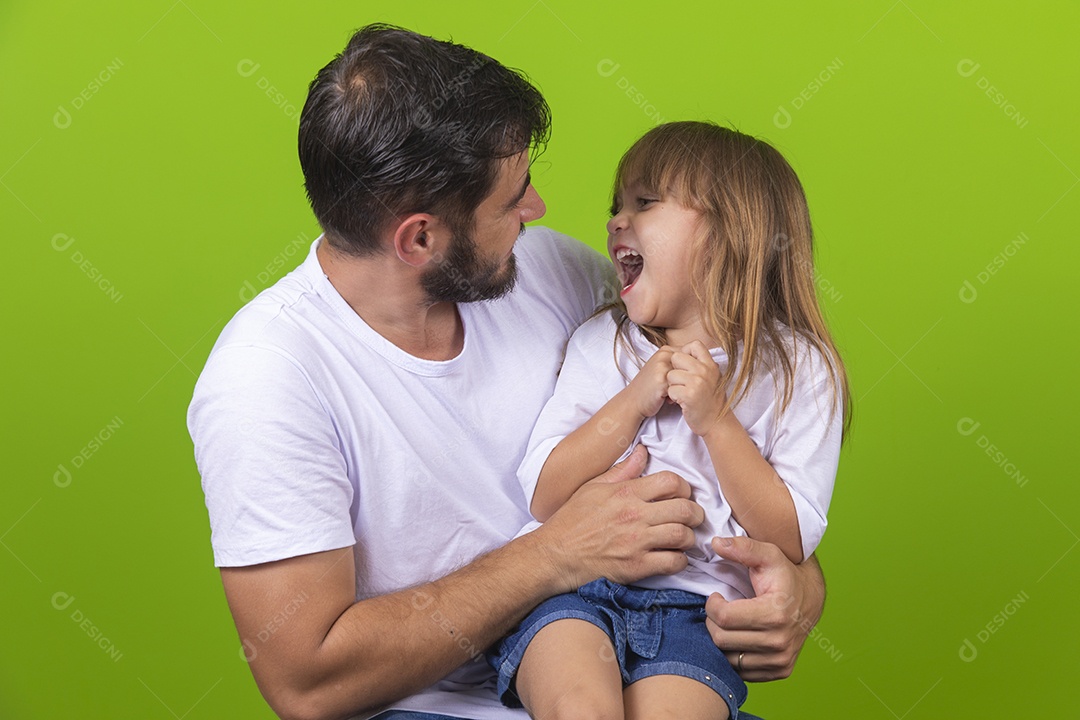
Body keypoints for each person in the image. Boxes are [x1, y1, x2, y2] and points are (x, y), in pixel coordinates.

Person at [187, 25, 827, 720]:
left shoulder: (557, 274)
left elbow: (728, 475)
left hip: (646, 670)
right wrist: (556, 554)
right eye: (511, 199)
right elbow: (305, 684)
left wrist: (797, 590)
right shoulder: (267, 377)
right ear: (420, 238)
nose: (537, 210)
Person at [487, 122, 851, 720]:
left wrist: (717, 420)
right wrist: (633, 401)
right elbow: (546, 494)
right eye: (616, 205)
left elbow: (789, 537)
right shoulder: (601, 343)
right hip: (571, 591)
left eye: (645, 202)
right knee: (580, 707)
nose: (616, 220)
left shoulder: (799, 369)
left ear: (732, 231)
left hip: (696, 614)